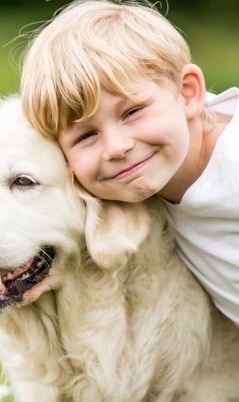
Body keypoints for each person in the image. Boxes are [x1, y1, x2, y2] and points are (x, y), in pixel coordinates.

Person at [19, 0, 239, 323]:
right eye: (85, 136)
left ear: (188, 93)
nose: (116, 148)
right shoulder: (161, 168)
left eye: (131, 112)